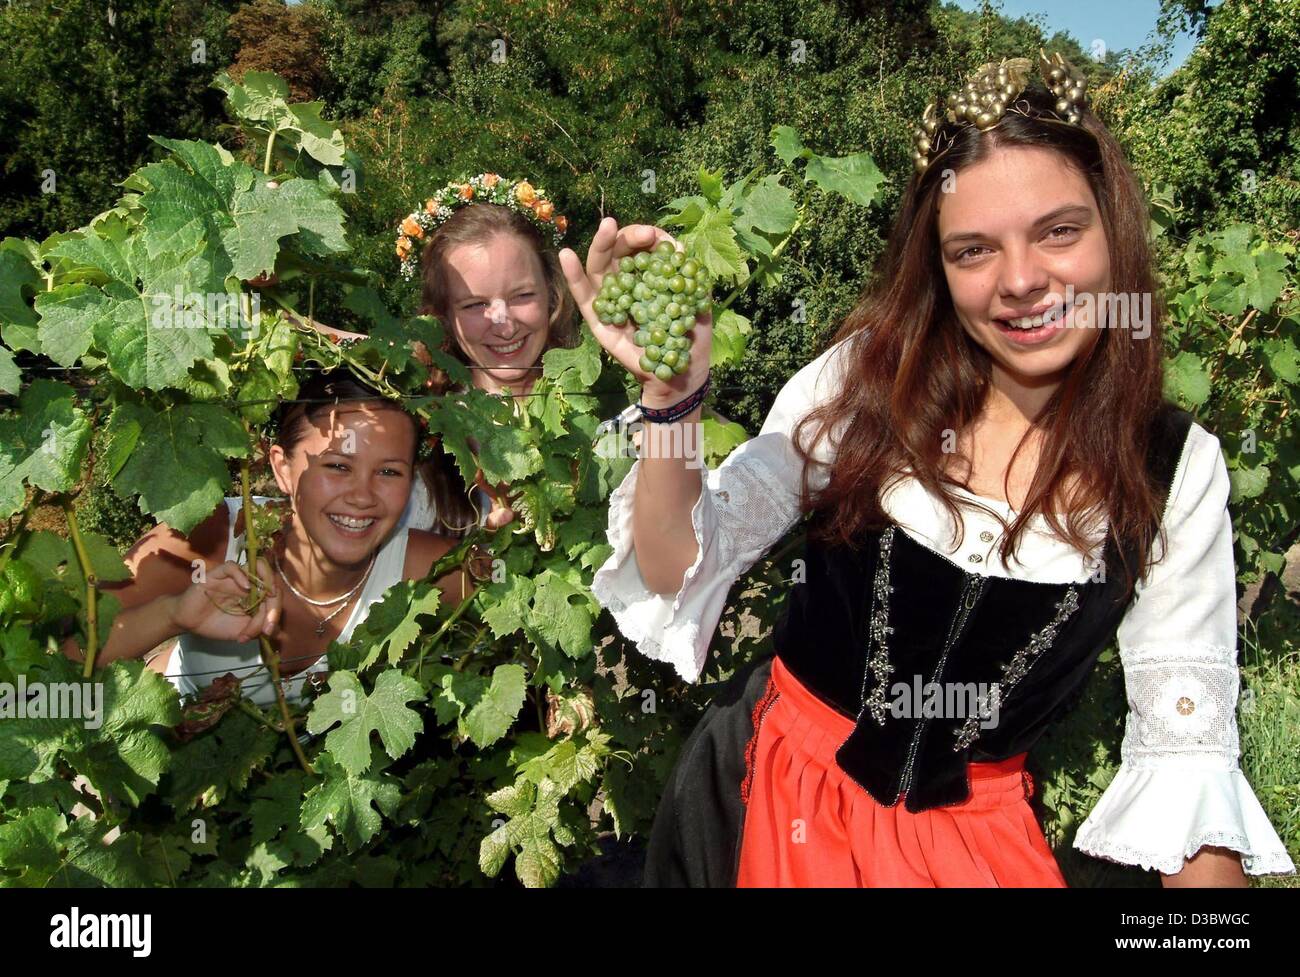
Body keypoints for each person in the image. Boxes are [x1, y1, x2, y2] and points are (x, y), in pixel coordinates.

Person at [565, 53, 1296, 886]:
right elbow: (671, 564)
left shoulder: (1173, 469)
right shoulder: (867, 381)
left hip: (965, 849)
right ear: (940, 269)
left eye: (1059, 230)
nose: (1021, 281)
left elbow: (1186, 761)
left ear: (1113, 229)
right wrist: (670, 400)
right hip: (761, 798)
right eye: (974, 249)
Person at [62, 373, 472, 708]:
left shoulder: (432, 571)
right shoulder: (208, 533)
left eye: (389, 472)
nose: (362, 496)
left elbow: (522, 601)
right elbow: (67, 657)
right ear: (282, 468)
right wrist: (172, 615)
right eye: (337, 466)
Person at [393, 174, 580, 536]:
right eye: (475, 304)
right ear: (443, 316)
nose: (504, 325)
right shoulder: (419, 441)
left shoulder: (609, 410)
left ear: (552, 295)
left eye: (522, 296)